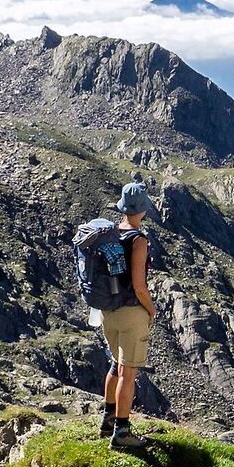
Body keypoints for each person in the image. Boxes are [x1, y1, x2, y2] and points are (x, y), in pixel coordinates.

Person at [73, 181, 160, 441]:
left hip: (107, 311)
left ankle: (108, 420)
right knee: (128, 373)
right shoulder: (138, 240)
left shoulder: (110, 233)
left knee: (115, 365)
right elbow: (139, 286)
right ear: (142, 210)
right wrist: (151, 310)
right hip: (130, 313)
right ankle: (122, 432)